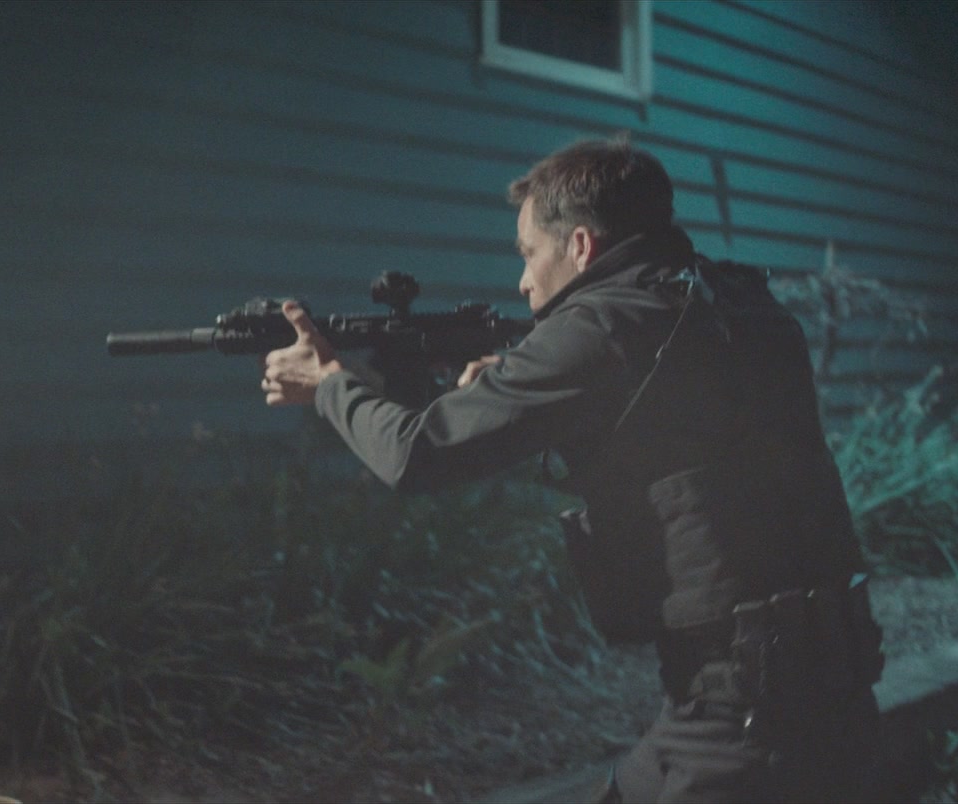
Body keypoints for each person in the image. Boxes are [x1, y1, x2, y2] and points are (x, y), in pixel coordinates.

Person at [259, 139, 885, 803]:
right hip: (821, 680)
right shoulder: (741, 304)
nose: (523, 281)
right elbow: (678, 433)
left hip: (742, 715)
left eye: (529, 253)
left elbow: (415, 455)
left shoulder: (602, 325)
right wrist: (522, 390)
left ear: (581, 245)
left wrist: (328, 384)